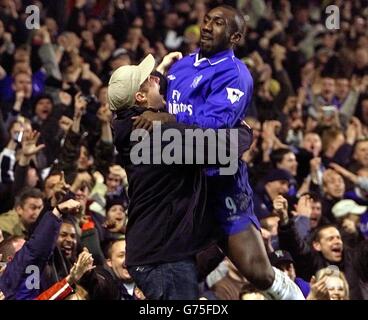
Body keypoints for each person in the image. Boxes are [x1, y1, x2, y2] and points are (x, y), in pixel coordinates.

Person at [135, 5, 304, 299]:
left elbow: (210, 133)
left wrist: (164, 121)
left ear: (235, 36)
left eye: (219, 23)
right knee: (172, 281)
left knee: (257, 271)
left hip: (220, 182)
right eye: (206, 20)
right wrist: (159, 77)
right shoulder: (182, 66)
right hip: (183, 186)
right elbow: (161, 105)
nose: (208, 26)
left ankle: (294, 295)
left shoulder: (237, 76)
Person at [107, 53, 252, 299]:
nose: (157, 79)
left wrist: (161, 73)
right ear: (140, 97)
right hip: (163, 258)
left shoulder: (128, 124)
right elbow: (224, 149)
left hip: (158, 250)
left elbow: (148, 103)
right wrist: (245, 131)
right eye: (150, 79)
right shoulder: (157, 136)